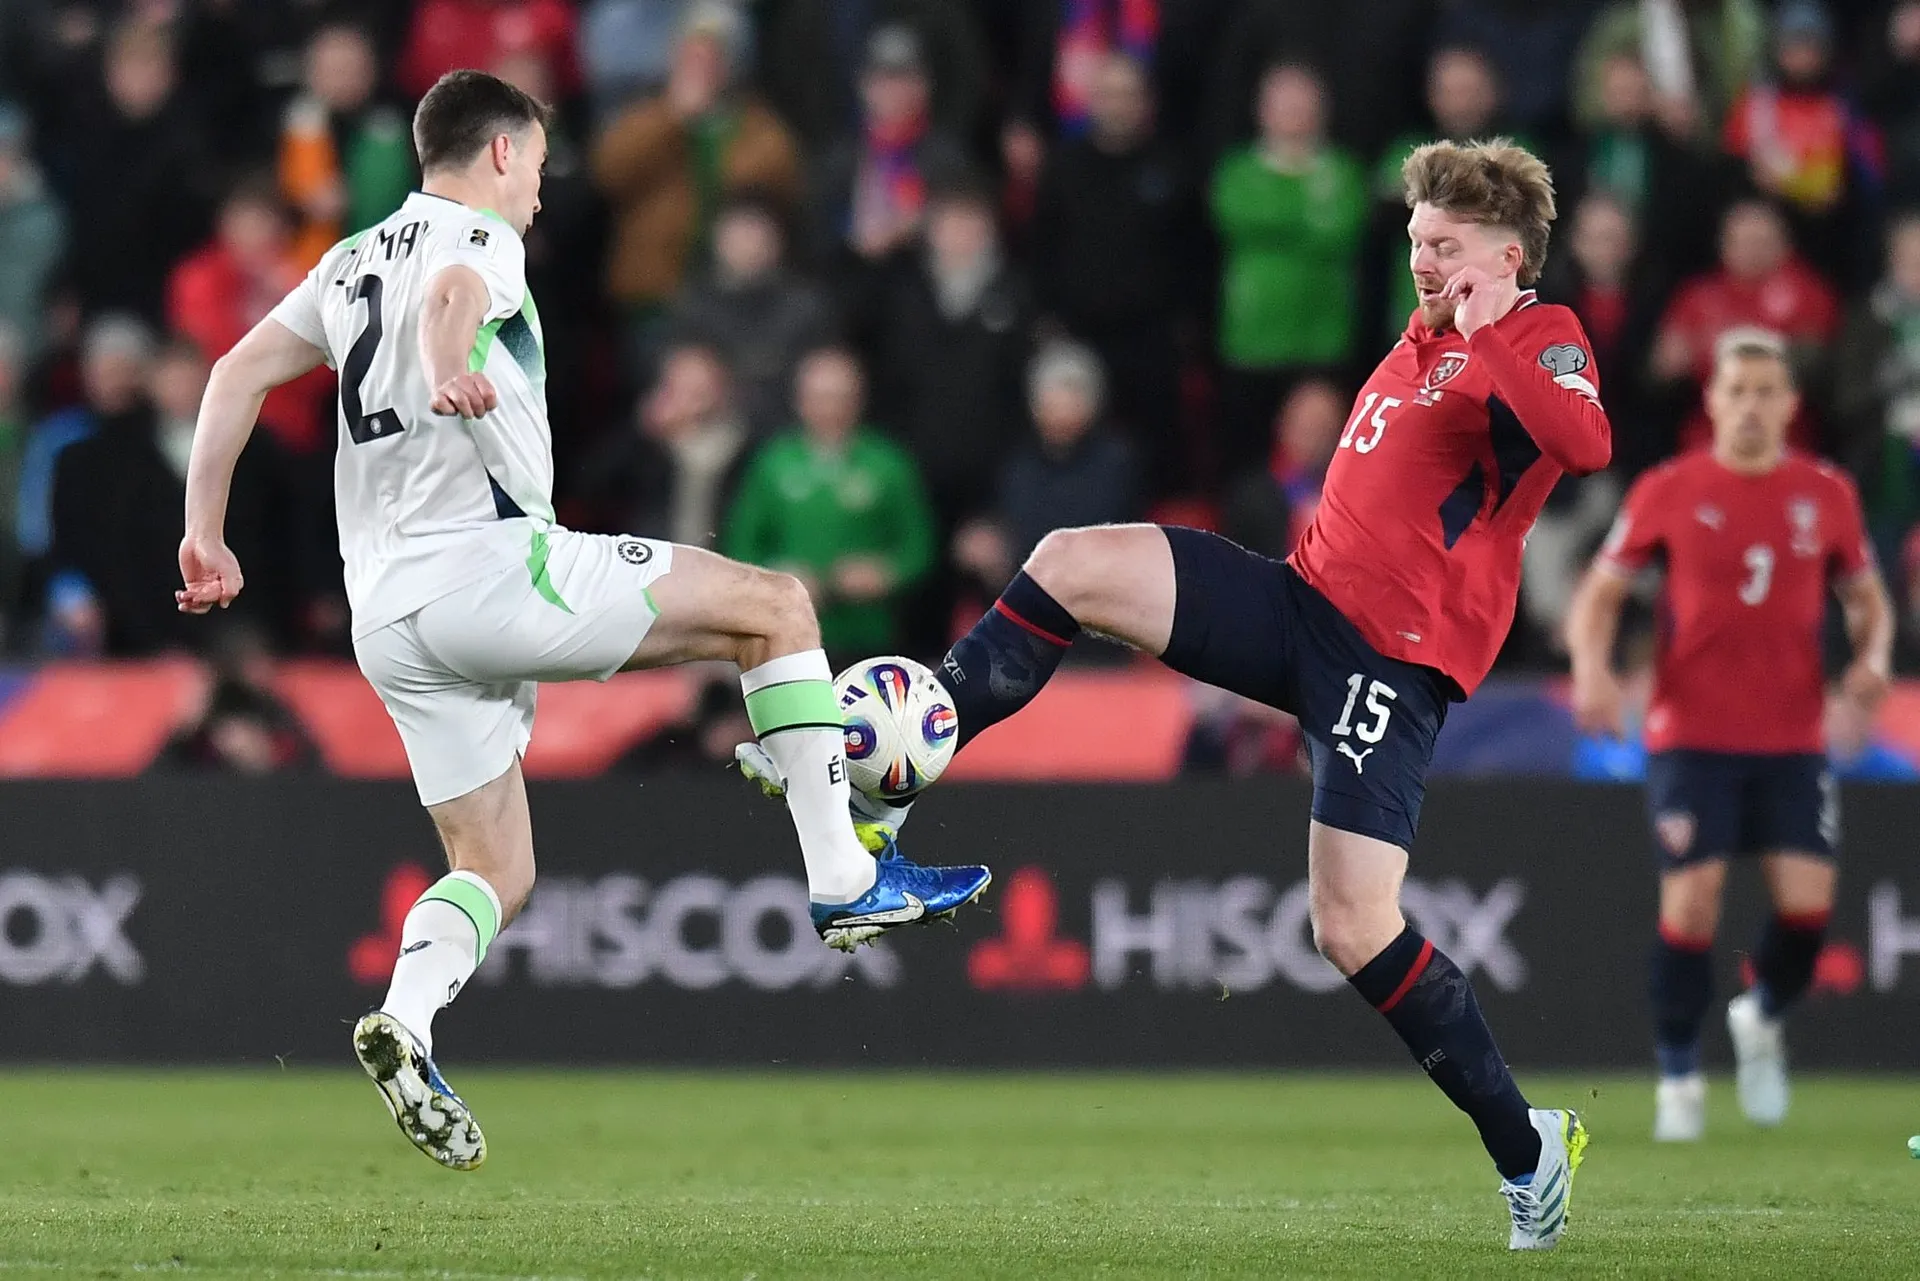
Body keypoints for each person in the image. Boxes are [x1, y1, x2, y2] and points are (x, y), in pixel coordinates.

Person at [747, 139, 1606, 1249]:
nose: (1422, 262)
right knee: (1069, 562)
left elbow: (1585, 444)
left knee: (1351, 926)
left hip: (1388, 663)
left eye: (1443, 245)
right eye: (1413, 242)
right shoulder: (1427, 334)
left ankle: (1527, 1147)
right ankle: (886, 794)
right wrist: (1456, 322)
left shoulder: (1539, 334)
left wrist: (1491, 330)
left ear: (1506, 254)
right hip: (1296, 603)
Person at [173, 71, 989, 1172]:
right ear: (502, 152)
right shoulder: (481, 238)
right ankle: (845, 876)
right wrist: (450, 367)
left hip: (388, 619)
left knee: (496, 868)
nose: (543, 193)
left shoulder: (349, 258)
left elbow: (233, 374)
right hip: (492, 569)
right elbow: (454, 295)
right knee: (775, 607)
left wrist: (205, 532)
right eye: (542, 167)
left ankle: (406, 1019)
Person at [1565, 327, 1893, 1142]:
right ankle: (1679, 1077)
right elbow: (1600, 593)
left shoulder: (1827, 492)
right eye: (1736, 390)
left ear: (1790, 404)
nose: (1750, 405)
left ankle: (1762, 1014)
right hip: (1691, 734)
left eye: (1765, 392)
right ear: (1712, 401)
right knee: (1693, 898)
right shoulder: (1669, 488)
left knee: (1808, 909)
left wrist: (1873, 658)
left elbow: (1866, 599)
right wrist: (1592, 669)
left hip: (1793, 736)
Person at [722, 347, 936, 662]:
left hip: (868, 634)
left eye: (841, 397)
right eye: (820, 397)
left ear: (859, 400)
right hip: (786, 633)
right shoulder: (773, 463)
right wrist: (778, 576)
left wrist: (885, 573)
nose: (830, 409)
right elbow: (740, 544)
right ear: (799, 401)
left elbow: (919, 546)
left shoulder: (888, 463)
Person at [1210, 63, 1367, 477]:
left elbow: (1343, 231)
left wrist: (1276, 224)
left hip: (1323, 339)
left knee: (1327, 461)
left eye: (1304, 105)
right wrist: (1307, 217)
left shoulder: (1343, 171)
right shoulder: (1237, 170)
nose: (1295, 115)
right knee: (1248, 462)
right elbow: (1238, 218)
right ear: (1262, 110)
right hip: (1253, 340)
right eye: (1284, 105)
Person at [666, 194, 833, 435]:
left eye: (757, 235)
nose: (748, 246)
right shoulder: (696, 303)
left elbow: (825, 371)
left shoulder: (806, 304)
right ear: (718, 241)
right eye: (738, 235)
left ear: (777, 242)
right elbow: (681, 371)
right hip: (714, 424)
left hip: (793, 427)